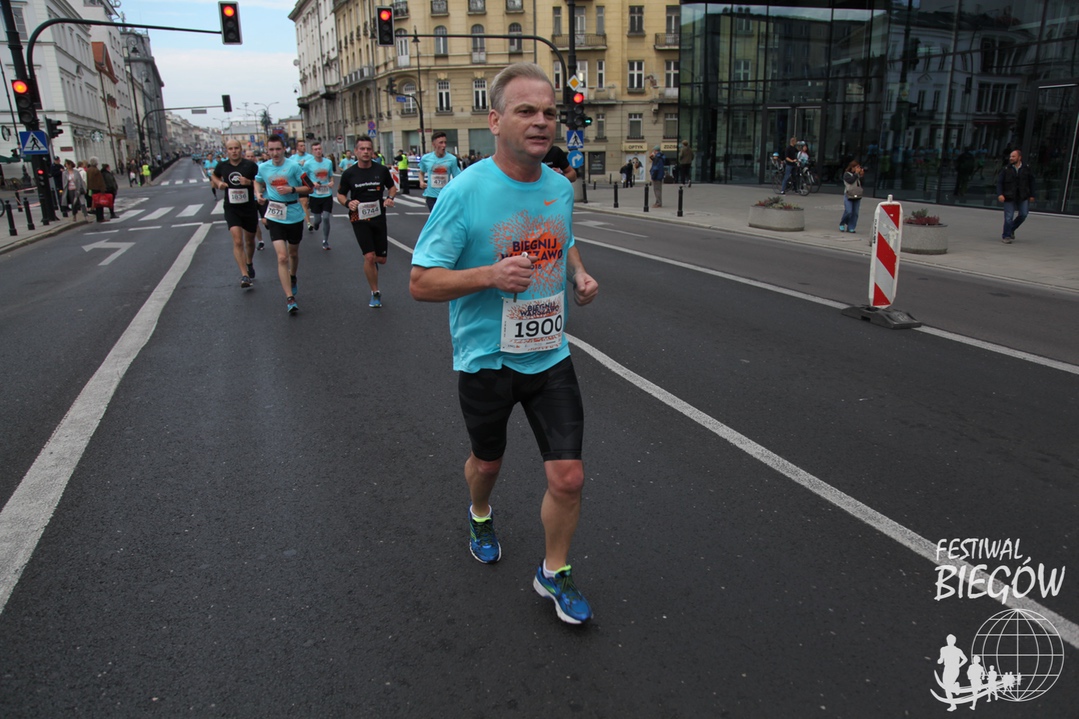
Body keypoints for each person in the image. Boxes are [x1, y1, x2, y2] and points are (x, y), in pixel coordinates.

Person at [409, 62, 599, 625]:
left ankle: (554, 572)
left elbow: (563, 238)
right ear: (495, 121)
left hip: (549, 354)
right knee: (487, 463)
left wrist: (578, 273)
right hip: (486, 360)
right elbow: (420, 282)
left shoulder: (559, 187)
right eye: (526, 111)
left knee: (569, 476)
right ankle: (480, 512)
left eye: (549, 113)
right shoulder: (463, 193)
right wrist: (489, 275)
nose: (542, 122)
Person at [336, 136, 397, 308]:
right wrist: (348, 203)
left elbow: (392, 187)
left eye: (368, 149)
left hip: (378, 217)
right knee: (369, 256)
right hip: (359, 217)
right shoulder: (349, 173)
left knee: (381, 259)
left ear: (373, 151)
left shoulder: (381, 170)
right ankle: (375, 292)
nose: (365, 152)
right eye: (362, 149)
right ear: (356, 151)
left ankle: (372, 264)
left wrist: (390, 198)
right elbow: (340, 194)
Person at [255, 135, 312, 314]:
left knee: (293, 253)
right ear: (267, 151)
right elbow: (257, 180)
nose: (275, 153)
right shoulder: (263, 167)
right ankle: (289, 298)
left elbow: (310, 186)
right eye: (271, 150)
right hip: (275, 214)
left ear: (283, 149)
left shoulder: (294, 166)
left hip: (294, 214)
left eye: (278, 149)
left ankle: (292, 276)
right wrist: (258, 194)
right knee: (282, 257)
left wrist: (291, 189)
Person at [213, 139, 260, 288]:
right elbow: (214, 176)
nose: (234, 151)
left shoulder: (250, 166)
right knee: (238, 241)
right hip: (232, 208)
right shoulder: (222, 166)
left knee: (249, 240)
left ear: (241, 149)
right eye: (230, 149)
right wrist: (218, 183)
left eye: (236, 148)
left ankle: (249, 262)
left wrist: (249, 183)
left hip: (248, 207)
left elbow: (260, 182)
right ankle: (244, 275)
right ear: (226, 151)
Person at [996, 148, 1035, 244]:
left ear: (1019, 157)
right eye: (1010, 156)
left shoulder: (1026, 168)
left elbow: (1032, 182)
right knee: (1008, 217)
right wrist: (1000, 194)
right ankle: (1006, 236)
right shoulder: (1006, 169)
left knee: (1023, 214)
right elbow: (1000, 182)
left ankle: (1011, 228)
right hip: (1009, 195)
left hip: (1023, 195)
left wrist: (1032, 194)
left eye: (1013, 156)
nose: (1011, 158)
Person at [418, 131, 463, 211]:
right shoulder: (426, 158)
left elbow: (458, 178)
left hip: (445, 196)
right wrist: (421, 182)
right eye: (441, 143)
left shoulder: (452, 159)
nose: (444, 145)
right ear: (434, 144)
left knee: (445, 218)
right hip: (431, 196)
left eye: (445, 142)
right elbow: (421, 173)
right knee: (436, 218)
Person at [305, 141, 336, 250]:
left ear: (322, 150)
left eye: (319, 149)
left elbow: (331, 176)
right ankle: (316, 224)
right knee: (317, 220)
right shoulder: (308, 164)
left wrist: (332, 182)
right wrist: (312, 184)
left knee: (326, 218)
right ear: (312, 151)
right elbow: (304, 178)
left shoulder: (328, 162)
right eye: (315, 149)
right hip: (315, 195)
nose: (318, 151)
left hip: (327, 194)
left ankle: (325, 241)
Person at [291, 139, 315, 231]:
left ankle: (307, 209)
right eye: (301, 146)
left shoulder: (310, 157)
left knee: (308, 204)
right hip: (300, 182)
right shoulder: (292, 158)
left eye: (304, 145)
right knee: (304, 202)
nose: (303, 147)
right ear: (297, 147)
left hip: (309, 181)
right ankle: (308, 223)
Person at [245, 148, 266, 251]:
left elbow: (266, 181)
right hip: (250, 199)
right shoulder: (242, 169)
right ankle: (260, 241)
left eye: (252, 156)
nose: (250, 158)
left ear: (255, 158)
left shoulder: (260, 167)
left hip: (262, 197)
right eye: (248, 156)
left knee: (265, 221)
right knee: (255, 223)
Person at [839, 160, 864, 233]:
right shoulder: (847, 174)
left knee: (855, 213)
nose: (858, 169)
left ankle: (851, 227)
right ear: (852, 167)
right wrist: (856, 174)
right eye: (856, 167)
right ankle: (842, 223)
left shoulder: (857, 175)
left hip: (857, 194)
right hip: (848, 194)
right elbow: (851, 181)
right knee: (848, 211)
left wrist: (861, 175)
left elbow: (861, 183)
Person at [85, 157, 107, 223]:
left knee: (96, 204)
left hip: (92, 188)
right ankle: (101, 217)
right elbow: (100, 181)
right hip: (98, 188)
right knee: (100, 204)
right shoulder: (96, 170)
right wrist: (103, 189)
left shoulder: (88, 170)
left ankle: (98, 217)